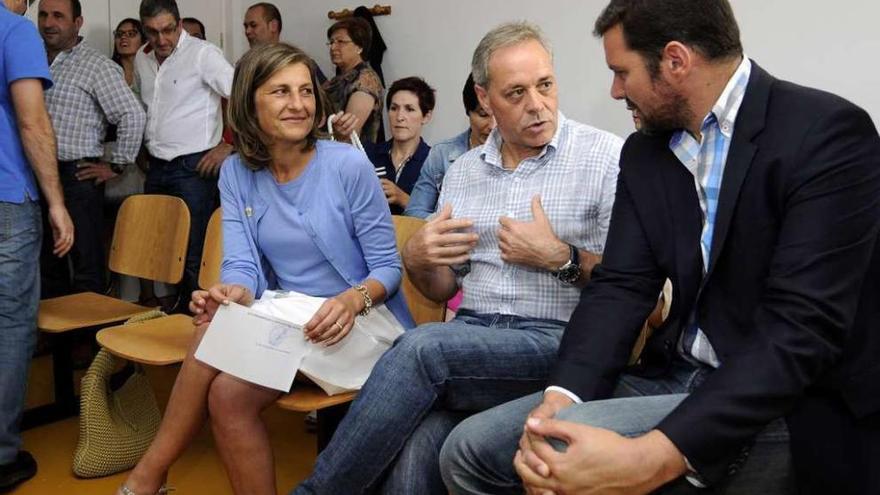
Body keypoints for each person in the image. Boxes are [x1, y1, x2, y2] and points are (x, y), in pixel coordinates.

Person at [440, 1, 880, 494]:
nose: (614, 90)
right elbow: (622, 287)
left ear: (675, 61)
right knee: (471, 449)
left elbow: (801, 331)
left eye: (621, 72)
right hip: (674, 376)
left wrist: (654, 456)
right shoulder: (648, 151)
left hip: (785, 399)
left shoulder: (826, 134)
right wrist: (561, 397)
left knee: (564, 465)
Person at [294, 21, 622, 495]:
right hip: (472, 340)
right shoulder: (464, 171)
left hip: (556, 342)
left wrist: (561, 257)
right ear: (485, 99)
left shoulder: (604, 157)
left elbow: (633, 288)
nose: (537, 104)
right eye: (516, 93)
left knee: (423, 348)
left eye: (545, 85)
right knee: (415, 454)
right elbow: (444, 289)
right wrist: (419, 259)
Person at [118, 42, 414, 495]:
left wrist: (353, 299)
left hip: (360, 322)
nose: (298, 104)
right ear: (249, 103)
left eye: (305, 91)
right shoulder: (237, 172)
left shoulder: (348, 165)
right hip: (291, 317)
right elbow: (241, 265)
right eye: (280, 92)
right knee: (225, 390)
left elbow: (388, 269)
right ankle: (152, 476)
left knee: (209, 338)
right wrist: (230, 292)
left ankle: (147, 476)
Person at [0, 0, 74, 490]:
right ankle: (2, 455)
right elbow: (32, 121)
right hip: (7, 196)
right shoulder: (15, 31)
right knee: (9, 320)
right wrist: (56, 203)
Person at [37, 0, 145, 297]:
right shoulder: (31, 57)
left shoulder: (96, 65)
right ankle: (59, 341)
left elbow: (132, 114)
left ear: (78, 22)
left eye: (58, 16)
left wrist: (117, 164)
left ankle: (88, 340)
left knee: (86, 265)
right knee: (47, 264)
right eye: (44, 15)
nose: (49, 23)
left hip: (77, 177)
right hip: (37, 176)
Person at [135, 0, 234, 306]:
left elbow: (241, 96)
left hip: (194, 167)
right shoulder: (142, 56)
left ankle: (192, 334)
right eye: (152, 32)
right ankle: (169, 324)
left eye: (167, 30)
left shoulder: (204, 54)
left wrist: (229, 144)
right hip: (156, 167)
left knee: (193, 255)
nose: (161, 40)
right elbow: (148, 106)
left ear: (179, 25)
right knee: (159, 250)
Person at [405, 73, 495, 219]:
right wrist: (447, 223)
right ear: (468, 111)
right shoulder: (442, 154)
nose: (492, 125)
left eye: (499, 115)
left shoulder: (520, 153)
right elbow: (414, 212)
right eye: (483, 115)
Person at [364, 76, 435, 215]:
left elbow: (440, 217)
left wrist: (404, 199)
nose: (399, 117)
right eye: (394, 108)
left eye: (409, 109)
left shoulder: (434, 161)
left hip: (414, 234)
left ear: (426, 116)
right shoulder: (368, 154)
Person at [322, 17, 384, 144]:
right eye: (331, 42)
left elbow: (349, 133)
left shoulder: (366, 80)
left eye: (341, 42)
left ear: (359, 47)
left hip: (349, 157)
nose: (333, 47)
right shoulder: (338, 79)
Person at [111, 18, 145, 93]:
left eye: (131, 34)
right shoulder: (109, 71)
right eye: (119, 34)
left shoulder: (151, 69)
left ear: (143, 40)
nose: (123, 37)